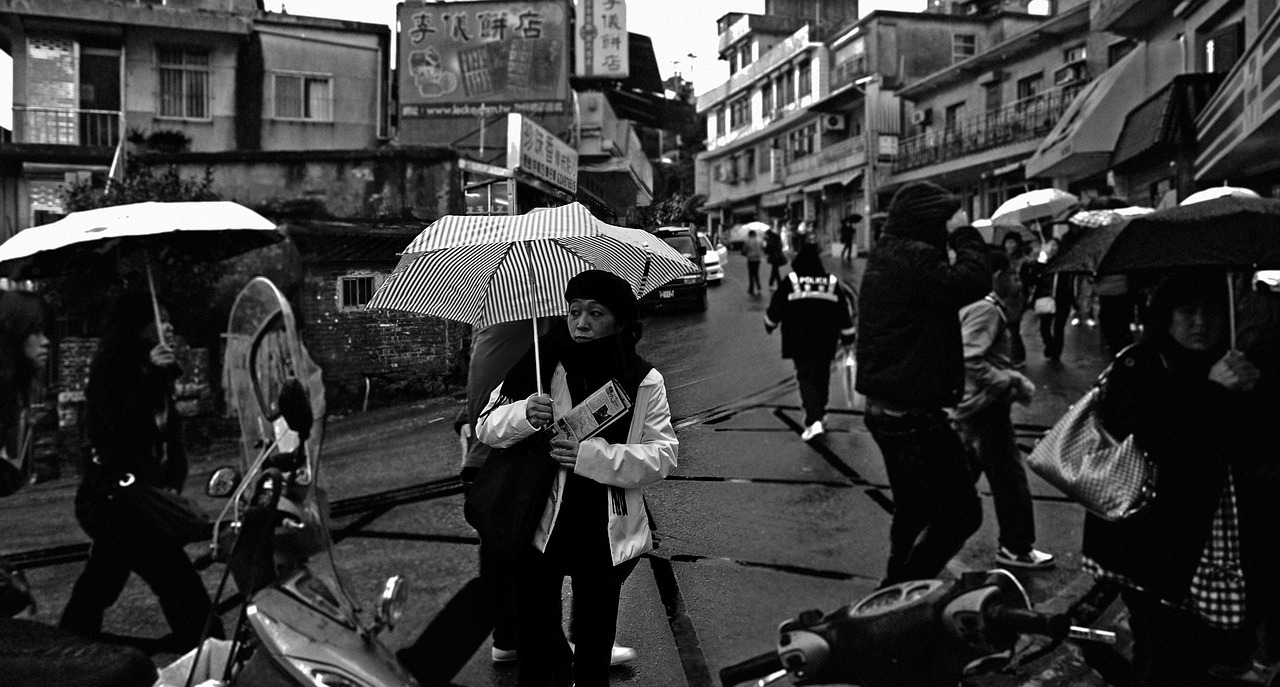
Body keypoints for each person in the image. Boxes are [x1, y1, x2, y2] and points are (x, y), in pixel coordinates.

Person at [476, 270, 677, 687]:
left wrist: (591, 457)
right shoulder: (539, 363)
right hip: (536, 522)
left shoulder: (643, 380)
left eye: (595, 313)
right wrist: (523, 414)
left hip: (602, 530)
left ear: (621, 322)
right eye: (574, 312)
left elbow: (662, 455)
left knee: (593, 645)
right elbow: (485, 427)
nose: (581, 323)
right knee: (536, 651)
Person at [1081, 272, 1271, 686]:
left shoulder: (1239, 364)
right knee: (1165, 654)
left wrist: (1251, 393)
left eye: (1212, 311)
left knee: (1215, 650)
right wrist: (1215, 392)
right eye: (1188, 311)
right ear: (1166, 316)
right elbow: (1158, 443)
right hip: (1151, 546)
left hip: (1219, 542)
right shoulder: (1139, 364)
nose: (1201, 322)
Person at [60, 292, 222, 652]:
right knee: (178, 583)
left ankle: (68, 650)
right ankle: (211, 652)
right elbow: (114, 432)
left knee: (102, 580)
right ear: (138, 326)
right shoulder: (112, 370)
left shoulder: (160, 373)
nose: (168, 326)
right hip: (115, 498)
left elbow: (167, 439)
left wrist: (171, 485)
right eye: (158, 318)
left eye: (168, 317)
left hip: (142, 499)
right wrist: (148, 377)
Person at [854, 180, 991, 587]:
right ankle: (905, 591)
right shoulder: (913, 258)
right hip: (911, 414)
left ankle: (897, 584)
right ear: (931, 222)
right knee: (962, 513)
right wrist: (966, 233)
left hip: (891, 408)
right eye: (946, 219)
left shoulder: (894, 254)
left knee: (914, 507)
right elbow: (971, 280)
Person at [952, 252, 1053, 569]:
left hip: (980, 406)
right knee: (1009, 478)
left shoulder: (989, 309)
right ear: (996, 276)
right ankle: (1016, 546)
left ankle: (933, 526)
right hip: (987, 407)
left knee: (968, 474)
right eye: (1011, 274)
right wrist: (1005, 381)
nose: (1017, 280)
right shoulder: (987, 311)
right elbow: (970, 358)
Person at [763, 239, 857, 442]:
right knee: (822, 377)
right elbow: (843, 312)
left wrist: (769, 324)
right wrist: (849, 337)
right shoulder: (831, 283)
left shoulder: (792, 281)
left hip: (799, 341)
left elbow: (775, 308)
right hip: (826, 341)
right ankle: (820, 415)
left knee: (805, 377)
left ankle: (813, 420)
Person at [1029, 237, 1074, 362]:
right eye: (1050, 245)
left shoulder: (1064, 263)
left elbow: (1070, 283)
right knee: (1044, 328)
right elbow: (1033, 279)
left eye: (1055, 245)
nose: (1053, 248)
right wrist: (1041, 262)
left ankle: (1056, 354)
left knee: (1058, 328)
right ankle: (1050, 345)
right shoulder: (1042, 262)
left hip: (1062, 299)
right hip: (1046, 298)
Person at [1001, 233, 1030, 367]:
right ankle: (1013, 355)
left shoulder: (1023, 261)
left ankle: (1017, 357)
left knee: (1013, 328)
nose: (1010, 245)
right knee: (1009, 328)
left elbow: (1026, 281)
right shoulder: (1003, 259)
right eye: (1008, 242)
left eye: (1012, 242)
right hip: (1006, 297)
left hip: (1017, 298)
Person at [743, 229, 765, 295]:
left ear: (749, 234)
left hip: (750, 259)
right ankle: (759, 288)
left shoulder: (747, 241)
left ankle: (751, 288)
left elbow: (744, 250)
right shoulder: (759, 241)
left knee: (751, 274)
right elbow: (762, 247)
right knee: (756, 274)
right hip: (757, 259)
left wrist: (747, 254)